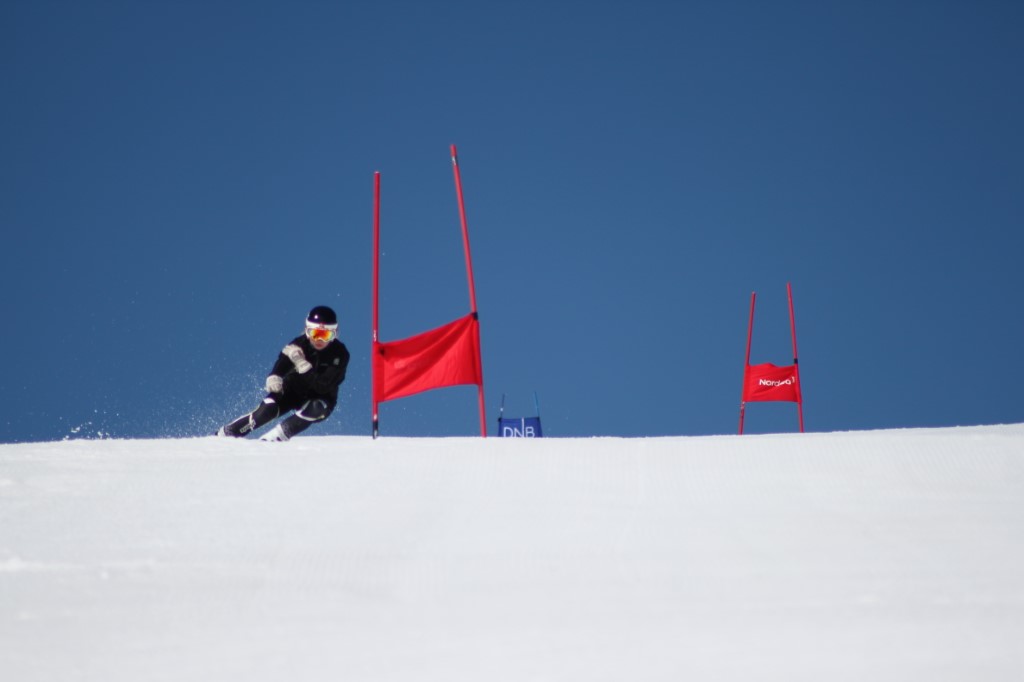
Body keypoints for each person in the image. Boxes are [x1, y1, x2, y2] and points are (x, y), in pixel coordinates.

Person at [217, 306, 350, 441]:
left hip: (321, 398)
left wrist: (303, 366)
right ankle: (226, 434)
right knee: (267, 410)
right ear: (306, 330)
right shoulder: (299, 344)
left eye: (326, 335)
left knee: (315, 408)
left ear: (335, 334)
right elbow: (285, 359)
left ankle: (272, 440)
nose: (319, 340)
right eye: (315, 333)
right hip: (292, 391)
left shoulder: (340, 354)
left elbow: (322, 387)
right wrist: (275, 375)